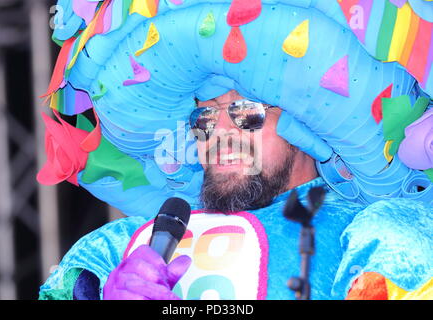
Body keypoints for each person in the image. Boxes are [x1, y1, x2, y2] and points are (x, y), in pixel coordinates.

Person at [38, 0, 432, 300]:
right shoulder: (121, 248)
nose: (220, 132)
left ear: (307, 126)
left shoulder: (374, 235)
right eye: (205, 118)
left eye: (246, 112)